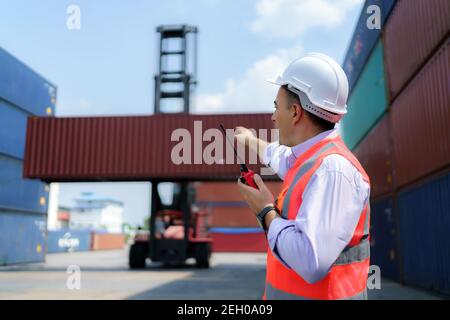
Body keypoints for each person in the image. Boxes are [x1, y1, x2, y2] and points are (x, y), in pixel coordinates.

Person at [235, 53, 371, 300]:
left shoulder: (332, 170)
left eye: (276, 107)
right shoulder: (309, 160)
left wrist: (265, 211)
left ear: (295, 112)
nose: (273, 116)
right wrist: (249, 140)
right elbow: (277, 156)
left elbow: (311, 261)